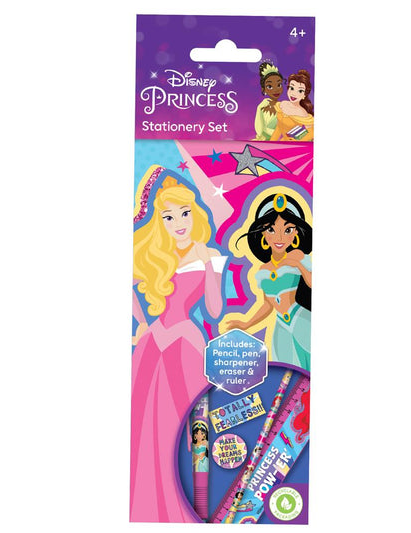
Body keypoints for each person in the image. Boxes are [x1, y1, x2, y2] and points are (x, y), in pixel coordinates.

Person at [130, 165, 227, 522]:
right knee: (147, 426)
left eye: (184, 213)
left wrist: (207, 267)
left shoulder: (208, 255)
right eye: (168, 217)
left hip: (187, 345)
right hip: (153, 346)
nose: (179, 223)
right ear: (160, 222)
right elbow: (132, 291)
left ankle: (193, 507)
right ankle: (151, 508)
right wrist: (145, 325)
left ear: (194, 212)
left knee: (191, 426)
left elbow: (214, 310)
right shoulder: (156, 257)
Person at [225, 192, 312, 370]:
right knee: (287, 371)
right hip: (281, 329)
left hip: (302, 320)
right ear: (263, 233)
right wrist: (246, 324)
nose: (279, 238)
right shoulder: (263, 270)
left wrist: (298, 265)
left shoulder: (297, 256)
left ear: (296, 232)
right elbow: (268, 305)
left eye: (287, 230)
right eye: (271, 230)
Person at [270, 70, 314, 142]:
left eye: (300, 91)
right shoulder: (282, 104)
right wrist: (271, 142)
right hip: (282, 141)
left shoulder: (302, 113)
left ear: (304, 95)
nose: (293, 93)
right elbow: (278, 128)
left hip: (293, 144)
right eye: (292, 88)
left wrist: (297, 140)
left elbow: (311, 132)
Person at [253, 61, 284, 140]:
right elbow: (259, 130)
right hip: (262, 141)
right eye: (270, 86)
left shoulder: (284, 107)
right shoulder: (263, 106)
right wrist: (259, 109)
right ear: (264, 90)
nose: (276, 90)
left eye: (279, 85)